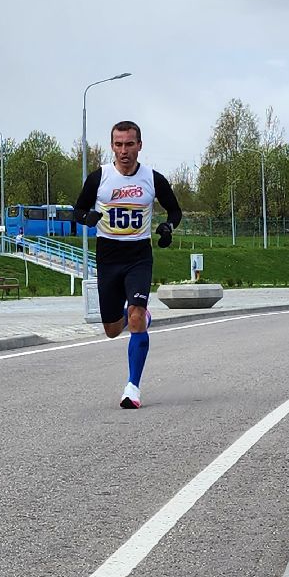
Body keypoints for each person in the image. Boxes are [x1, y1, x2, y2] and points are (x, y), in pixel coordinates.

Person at [72, 120, 183, 409]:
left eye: (130, 144)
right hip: (108, 257)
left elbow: (174, 210)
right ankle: (138, 316)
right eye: (119, 144)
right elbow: (78, 210)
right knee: (111, 330)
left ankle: (132, 388)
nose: (124, 151)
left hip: (138, 256)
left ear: (139, 146)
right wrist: (87, 218)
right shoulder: (100, 178)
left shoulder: (153, 179)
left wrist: (168, 227)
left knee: (135, 316)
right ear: (112, 146)